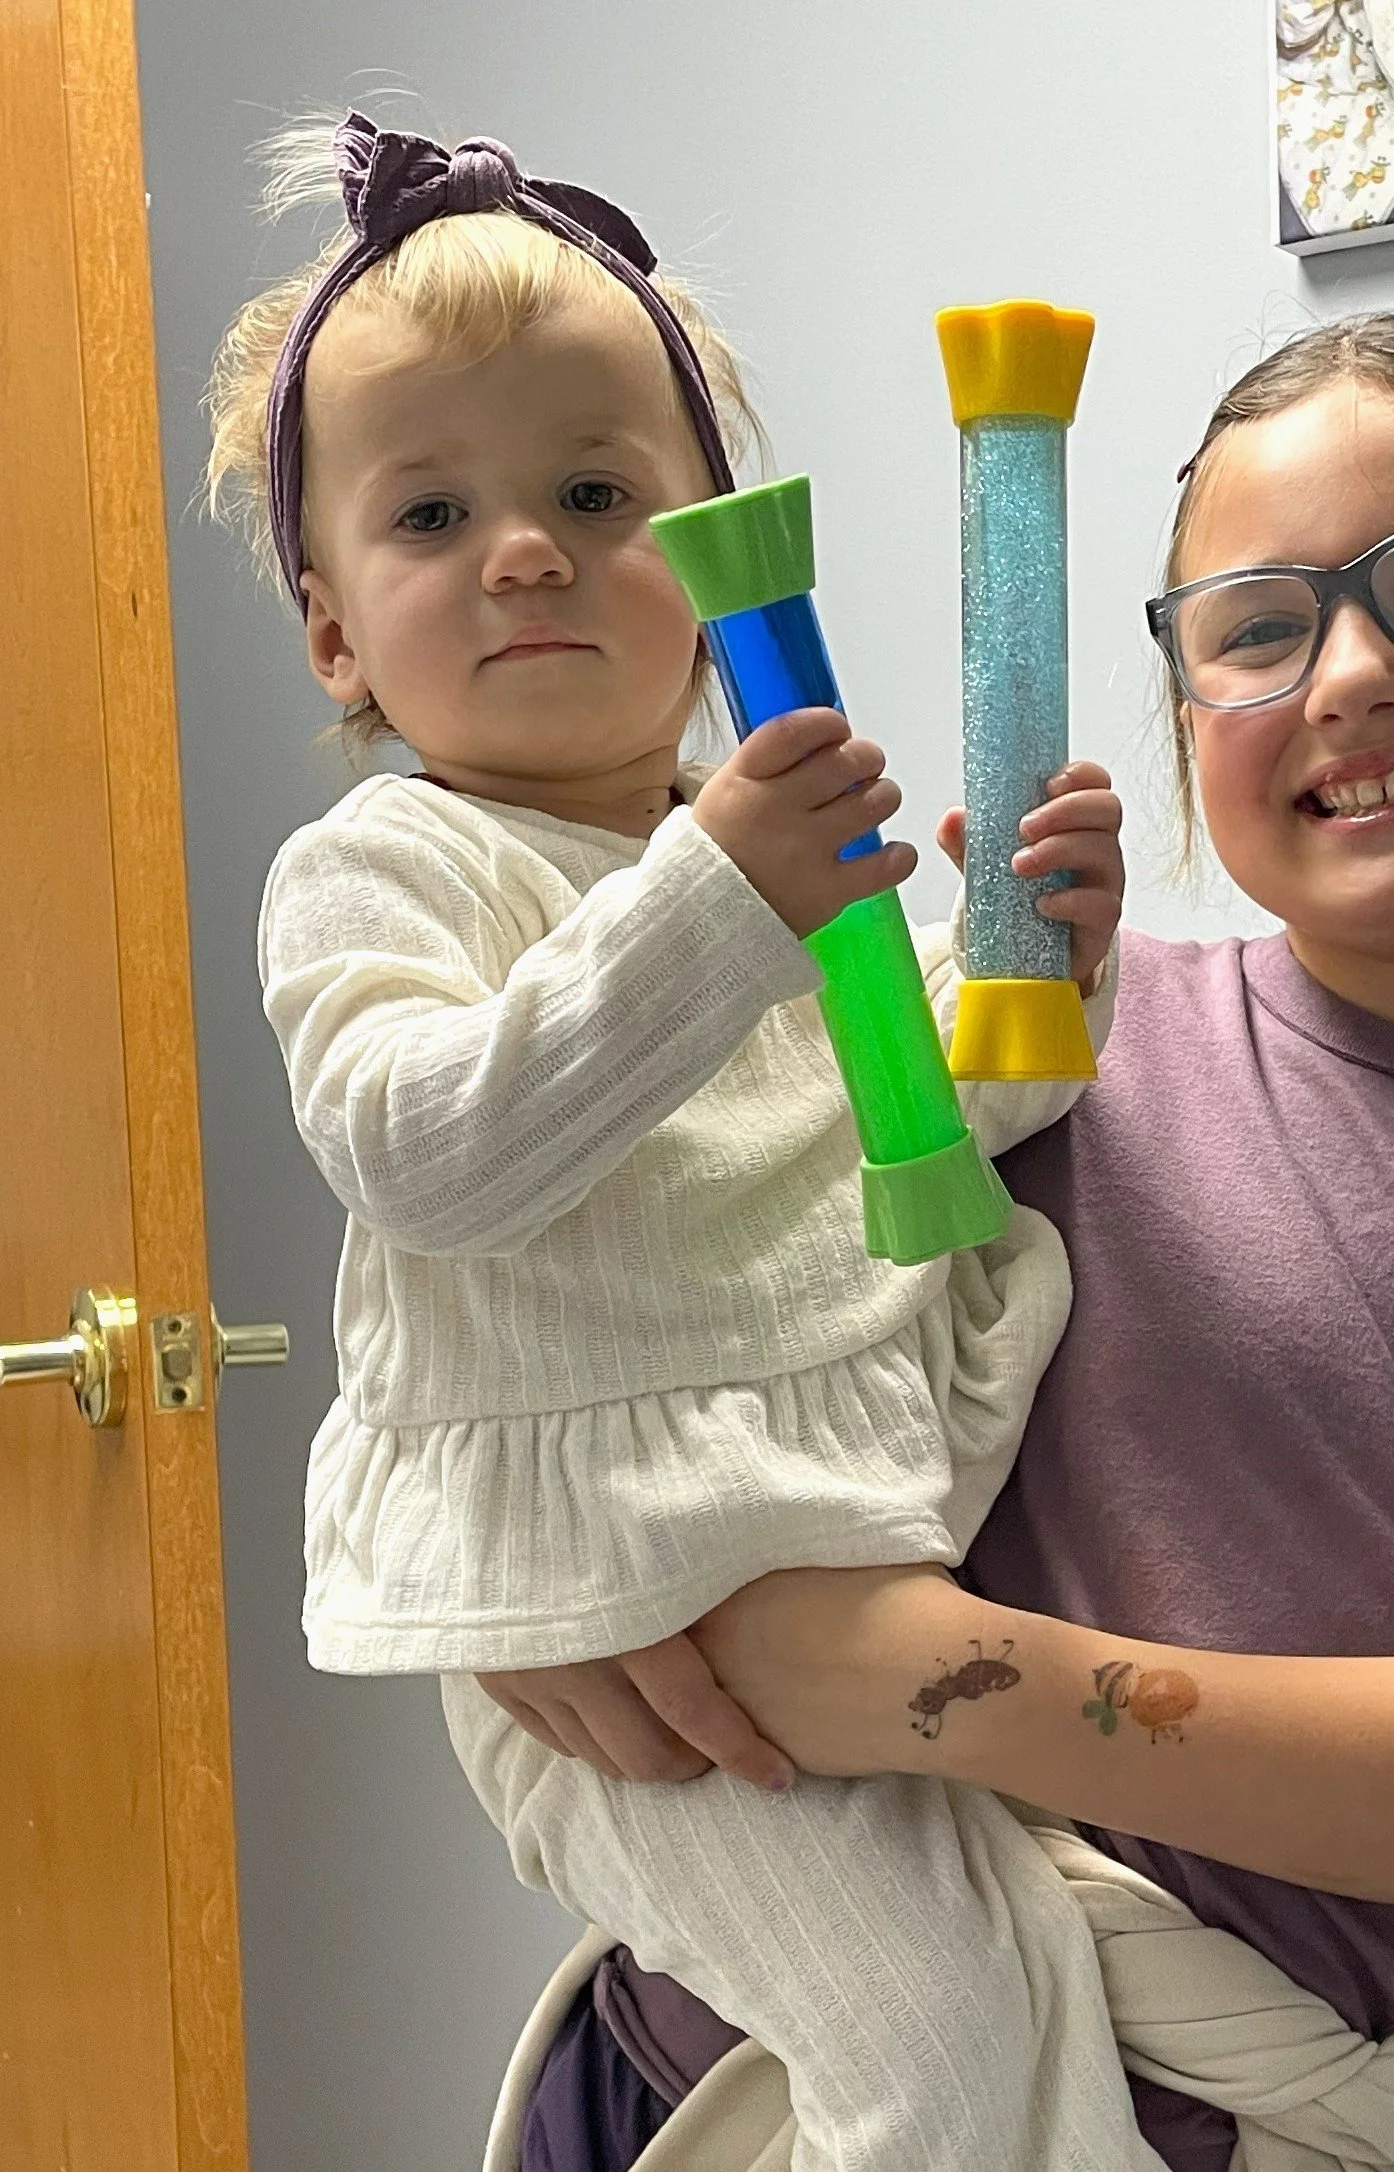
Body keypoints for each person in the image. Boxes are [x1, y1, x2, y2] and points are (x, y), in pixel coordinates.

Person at [507, 312, 1394, 2172]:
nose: (1353, 676)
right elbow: (557, 1333)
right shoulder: (1020, 1048)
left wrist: (928, 1674)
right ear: (1189, 720)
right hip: (716, 2086)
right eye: (1256, 630)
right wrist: (518, 1587)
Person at [209, 110, 1164, 2172]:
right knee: (947, 2042)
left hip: (831, 1539)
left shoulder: (765, 859)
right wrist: (721, 897)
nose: (525, 552)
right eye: (432, 513)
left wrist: (1044, 964)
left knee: (1016, 1994)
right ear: (333, 631)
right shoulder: (384, 868)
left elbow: (925, 1121)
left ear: (718, 558)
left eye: (592, 493)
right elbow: (424, 1155)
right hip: (584, 1581)